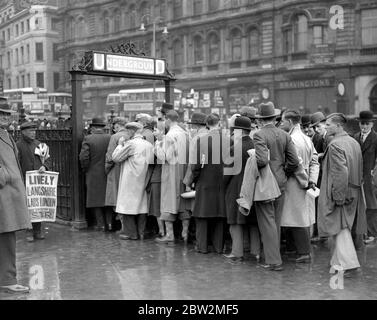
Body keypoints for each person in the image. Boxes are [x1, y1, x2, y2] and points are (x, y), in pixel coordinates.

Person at [318, 113, 367, 276]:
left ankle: (350, 264)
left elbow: (340, 173)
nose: (326, 127)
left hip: (341, 193)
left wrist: (338, 197)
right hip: (354, 191)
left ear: (338, 126)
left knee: (339, 227)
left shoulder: (335, 145)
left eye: (328, 125)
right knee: (342, 226)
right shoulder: (353, 142)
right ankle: (338, 262)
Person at [253, 102, 300, 271]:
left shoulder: (259, 135)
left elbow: (261, 160)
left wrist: (253, 164)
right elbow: (294, 161)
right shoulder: (284, 134)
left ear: (260, 119)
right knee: (276, 221)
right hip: (281, 183)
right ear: (274, 117)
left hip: (266, 184)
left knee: (267, 222)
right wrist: (284, 173)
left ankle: (273, 261)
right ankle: (271, 256)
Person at [279, 110, 319, 263]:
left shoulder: (291, 139)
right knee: (299, 216)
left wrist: (304, 181)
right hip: (305, 180)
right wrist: (312, 180)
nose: (282, 124)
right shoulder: (307, 138)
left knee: (296, 218)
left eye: (283, 121)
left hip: (295, 182)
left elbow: (296, 163)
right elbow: (315, 160)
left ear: (289, 122)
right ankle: (295, 249)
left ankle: (303, 252)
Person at [0, 108, 31, 294]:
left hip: (8, 193)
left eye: (6, 113)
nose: (5, 117)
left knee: (7, 236)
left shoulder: (5, 133)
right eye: (1, 114)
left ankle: (6, 278)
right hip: (3, 192)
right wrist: (4, 177)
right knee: (5, 236)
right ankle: (7, 280)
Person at [224, 116, 259, 261]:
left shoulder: (233, 148)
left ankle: (237, 253)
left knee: (235, 221)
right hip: (253, 188)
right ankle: (256, 252)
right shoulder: (256, 145)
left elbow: (227, 173)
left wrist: (224, 186)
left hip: (236, 187)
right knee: (253, 221)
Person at [192, 113, 227, 254]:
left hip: (205, 181)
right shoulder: (228, 140)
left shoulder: (203, 141)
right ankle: (219, 247)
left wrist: (195, 179)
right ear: (220, 123)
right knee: (220, 216)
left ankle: (202, 247)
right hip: (222, 182)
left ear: (206, 124)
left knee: (202, 215)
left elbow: (196, 164)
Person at [113, 122, 154, 240]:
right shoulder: (148, 145)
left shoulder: (130, 144)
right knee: (142, 206)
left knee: (127, 206)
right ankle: (141, 232)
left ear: (131, 131)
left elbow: (116, 158)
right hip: (144, 177)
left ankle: (130, 233)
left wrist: (120, 145)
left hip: (130, 179)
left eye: (127, 132)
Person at [155, 110, 190, 244]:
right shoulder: (186, 134)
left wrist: (158, 143)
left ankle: (170, 235)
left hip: (171, 173)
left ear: (168, 120)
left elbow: (165, 157)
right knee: (183, 203)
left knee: (169, 202)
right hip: (184, 172)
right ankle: (185, 233)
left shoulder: (169, 136)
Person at [16, 121, 52, 242]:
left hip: (38, 182)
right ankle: (29, 231)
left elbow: (47, 159)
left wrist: (45, 166)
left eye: (34, 131)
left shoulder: (39, 144)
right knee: (28, 207)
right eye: (30, 131)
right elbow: (16, 163)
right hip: (25, 181)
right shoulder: (18, 145)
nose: (33, 133)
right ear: (23, 132)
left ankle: (38, 229)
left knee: (38, 205)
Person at [79, 117, 111, 231]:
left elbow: (84, 157)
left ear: (92, 128)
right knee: (107, 199)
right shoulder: (109, 138)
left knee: (95, 200)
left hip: (93, 173)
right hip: (108, 172)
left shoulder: (88, 139)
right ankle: (110, 223)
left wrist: (85, 169)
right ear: (102, 128)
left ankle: (100, 224)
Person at [353, 110, 377, 244]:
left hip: (370, 176)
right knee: (359, 205)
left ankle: (372, 233)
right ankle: (361, 232)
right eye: (362, 123)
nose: (364, 126)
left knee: (372, 205)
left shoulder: (375, 138)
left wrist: (374, 175)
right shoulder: (355, 137)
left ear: (372, 124)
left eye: (367, 124)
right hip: (357, 176)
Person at [105, 117, 129, 231]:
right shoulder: (130, 135)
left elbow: (110, 157)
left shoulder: (114, 137)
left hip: (115, 170)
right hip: (128, 170)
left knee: (116, 199)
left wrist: (106, 170)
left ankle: (123, 227)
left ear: (117, 126)